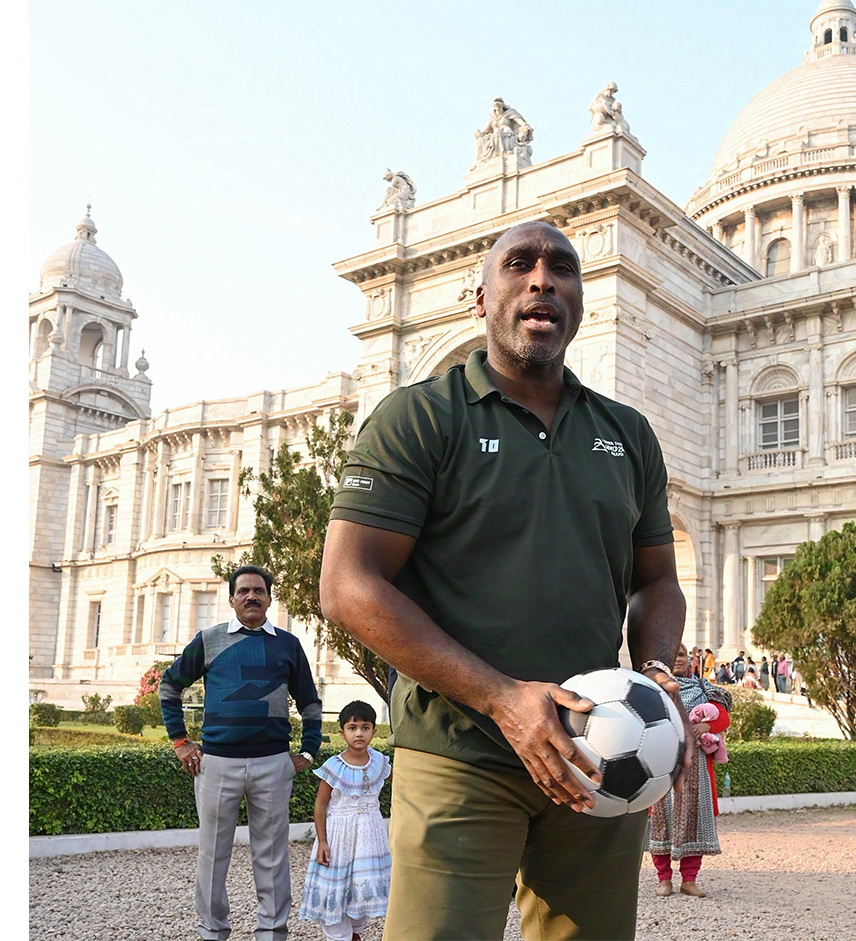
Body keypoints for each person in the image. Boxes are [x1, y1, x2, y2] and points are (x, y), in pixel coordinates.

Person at [319, 220, 693, 941]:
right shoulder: (419, 418)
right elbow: (348, 585)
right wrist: (502, 699)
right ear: (481, 298)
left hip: (597, 751)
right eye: (519, 264)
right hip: (458, 752)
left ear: (579, 300)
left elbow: (657, 581)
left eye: (563, 268)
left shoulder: (628, 434)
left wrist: (655, 675)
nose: (542, 279)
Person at [160, 565, 323, 941]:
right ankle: (212, 932)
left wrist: (309, 751)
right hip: (217, 764)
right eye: (244, 590)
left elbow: (310, 701)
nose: (252, 596)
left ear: (270, 598)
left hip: (273, 764)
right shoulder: (209, 639)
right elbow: (169, 686)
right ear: (232, 599)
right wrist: (180, 742)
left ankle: (272, 933)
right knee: (212, 855)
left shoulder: (288, 644)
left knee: (272, 856)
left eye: (259, 590)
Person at [299, 700, 392, 941]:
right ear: (342, 733)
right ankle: (338, 935)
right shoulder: (334, 767)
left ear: (374, 731)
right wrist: (322, 841)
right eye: (352, 728)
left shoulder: (380, 762)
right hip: (339, 837)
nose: (359, 733)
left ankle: (354, 933)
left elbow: (403, 785)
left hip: (370, 837)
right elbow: (320, 805)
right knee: (337, 887)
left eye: (365, 727)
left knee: (363, 887)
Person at [646, 643, 732, 898]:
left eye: (682, 654)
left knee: (694, 819)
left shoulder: (703, 688)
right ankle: (664, 879)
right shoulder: (653, 689)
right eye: (673, 655)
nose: (678, 659)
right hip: (663, 762)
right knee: (661, 820)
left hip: (696, 767)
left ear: (691, 659)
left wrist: (706, 726)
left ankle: (689, 880)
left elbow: (723, 717)